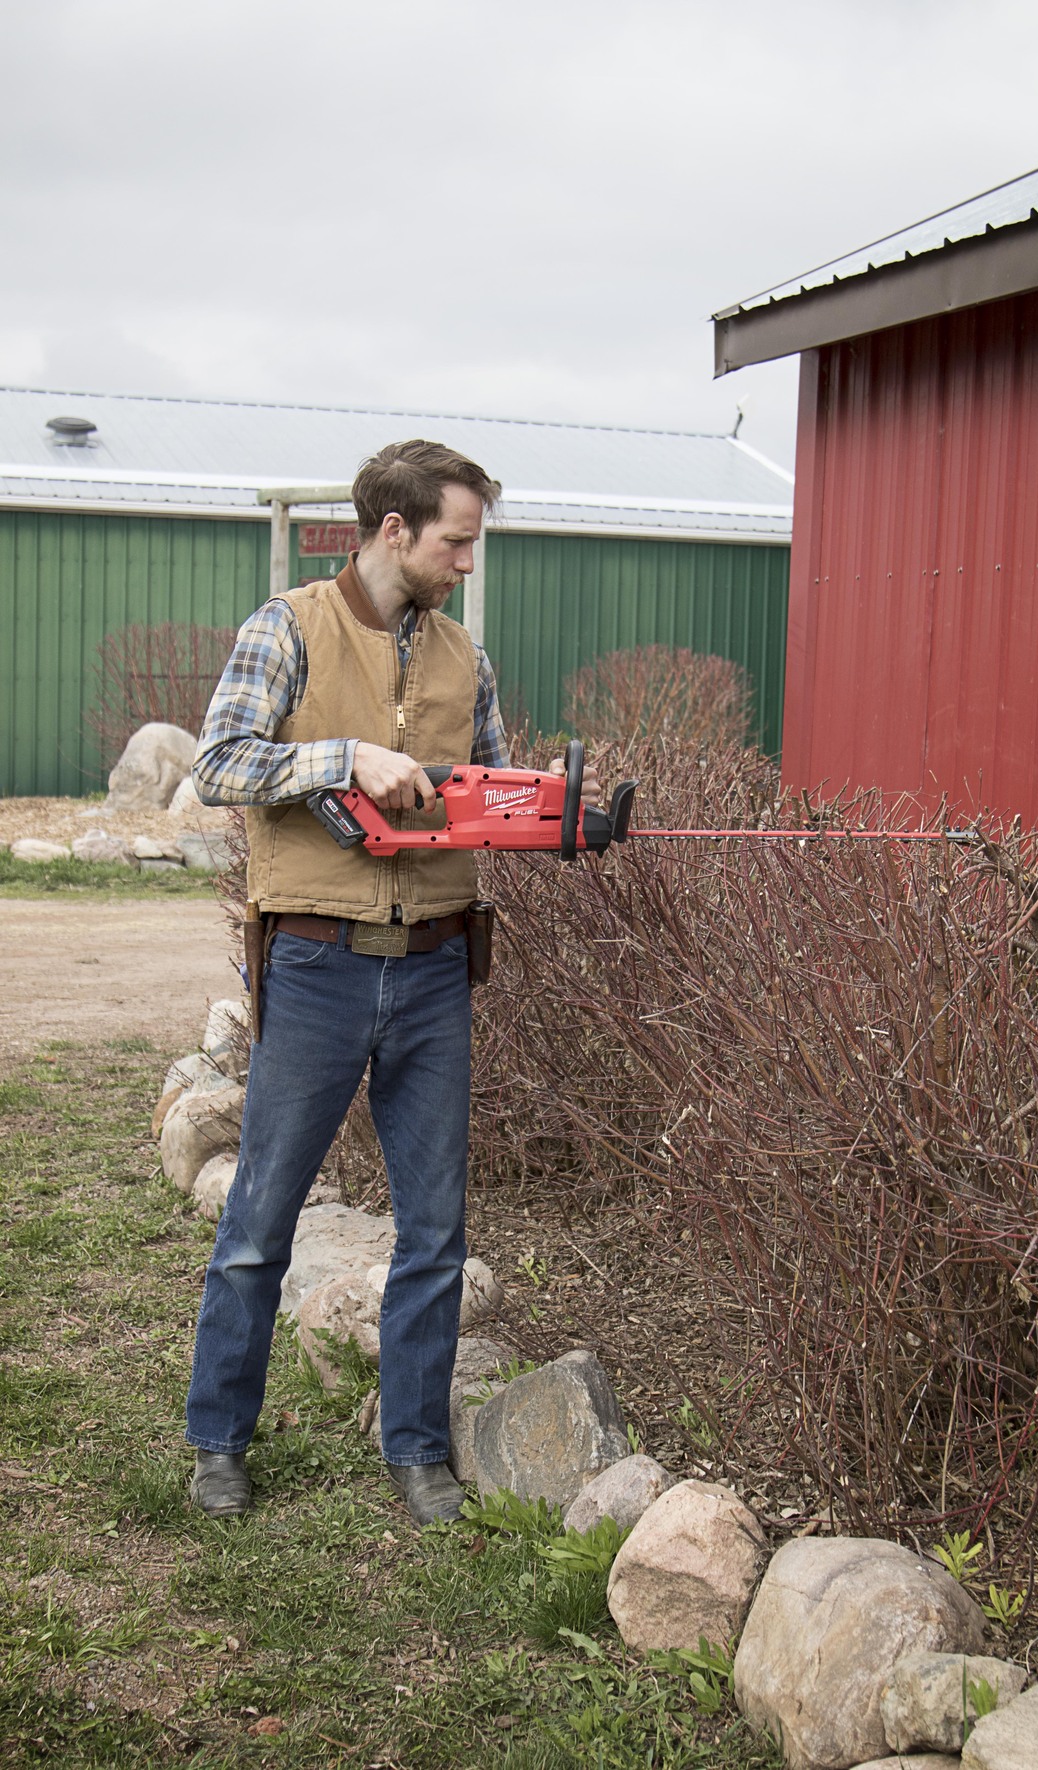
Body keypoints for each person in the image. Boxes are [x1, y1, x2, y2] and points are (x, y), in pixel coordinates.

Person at [184, 438, 595, 1526]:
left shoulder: (469, 658)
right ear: (395, 531)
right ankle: (216, 1441)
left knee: (435, 1232)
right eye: (456, 541)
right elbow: (219, 762)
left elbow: (490, 797)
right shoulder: (287, 628)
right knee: (261, 1222)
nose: (468, 561)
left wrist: (557, 814)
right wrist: (342, 758)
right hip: (318, 963)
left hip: (432, 970)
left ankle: (415, 1452)